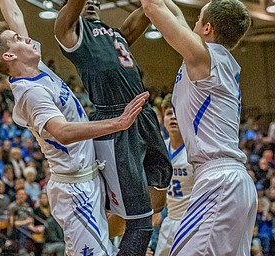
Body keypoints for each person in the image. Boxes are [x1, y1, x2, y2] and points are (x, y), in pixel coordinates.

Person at [0, 0, 149, 254]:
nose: (27, 39)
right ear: (9, 56)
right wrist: (118, 123)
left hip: (89, 176)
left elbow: (14, 13)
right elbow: (63, 132)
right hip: (75, 189)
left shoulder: (35, 68)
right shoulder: (31, 92)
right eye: (17, 38)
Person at [54, 0, 172, 254]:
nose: (93, 2)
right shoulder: (70, 32)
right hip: (115, 121)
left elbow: (148, 8)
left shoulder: (114, 33)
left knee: (159, 191)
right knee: (141, 224)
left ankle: (104, 236)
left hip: (143, 114)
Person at [140, 0, 257, 255]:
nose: (189, 25)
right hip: (229, 180)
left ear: (206, 28)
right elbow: (175, 13)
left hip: (219, 181)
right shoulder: (213, 60)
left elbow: (153, 8)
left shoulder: (204, 57)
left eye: (197, 20)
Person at [154, 94, 194, 256]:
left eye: (177, 113)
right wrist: (155, 211)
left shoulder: (194, 151)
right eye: (169, 113)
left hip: (191, 220)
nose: (173, 118)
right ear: (164, 119)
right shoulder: (161, 149)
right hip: (170, 218)